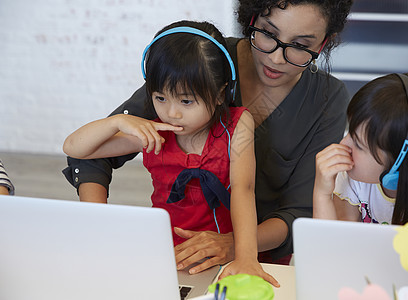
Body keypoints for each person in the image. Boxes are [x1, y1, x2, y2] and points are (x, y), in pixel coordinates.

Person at [63, 0, 353, 273]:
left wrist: (235, 246)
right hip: (172, 252)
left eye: (301, 45)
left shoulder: (327, 99)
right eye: (267, 33)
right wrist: (97, 227)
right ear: (250, 18)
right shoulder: (201, 58)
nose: (277, 58)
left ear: (324, 43)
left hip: (257, 259)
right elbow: (93, 151)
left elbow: (299, 212)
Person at [63, 20, 278, 286]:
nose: (171, 112)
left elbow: (245, 191)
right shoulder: (155, 131)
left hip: (219, 257)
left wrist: (246, 258)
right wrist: (116, 122)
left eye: (186, 101)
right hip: (166, 253)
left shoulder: (237, 125)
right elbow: (75, 149)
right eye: (160, 98)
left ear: (221, 94)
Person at [313, 73, 408, 227]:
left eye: (358, 144)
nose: (343, 144)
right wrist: (322, 194)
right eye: (349, 131)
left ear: (400, 164)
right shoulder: (353, 178)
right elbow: (334, 244)